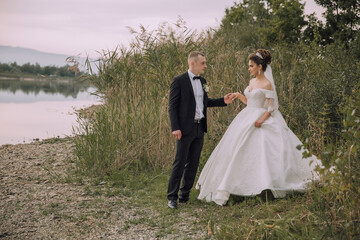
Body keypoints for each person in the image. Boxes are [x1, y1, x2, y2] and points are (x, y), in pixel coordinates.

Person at [196, 49, 322, 206]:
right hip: (246, 115)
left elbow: (271, 108)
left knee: (263, 150)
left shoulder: (267, 84)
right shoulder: (252, 82)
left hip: (260, 119)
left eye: (251, 66)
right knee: (237, 148)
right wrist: (238, 95)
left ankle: (266, 184)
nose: (249, 69)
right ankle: (236, 184)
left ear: (259, 67)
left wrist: (260, 121)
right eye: (249, 66)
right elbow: (250, 103)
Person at [167, 51, 234, 209]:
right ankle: (172, 197)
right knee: (180, 162)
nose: (205, 66)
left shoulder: (203, 81)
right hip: (184, 129)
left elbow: (205, 102)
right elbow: (172, 107)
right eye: (203, 63)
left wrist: (222, 101)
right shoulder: (179, 81)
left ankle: (185, 195)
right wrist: (175, 127)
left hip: (199, 127)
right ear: (193, 63)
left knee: (194, 163)